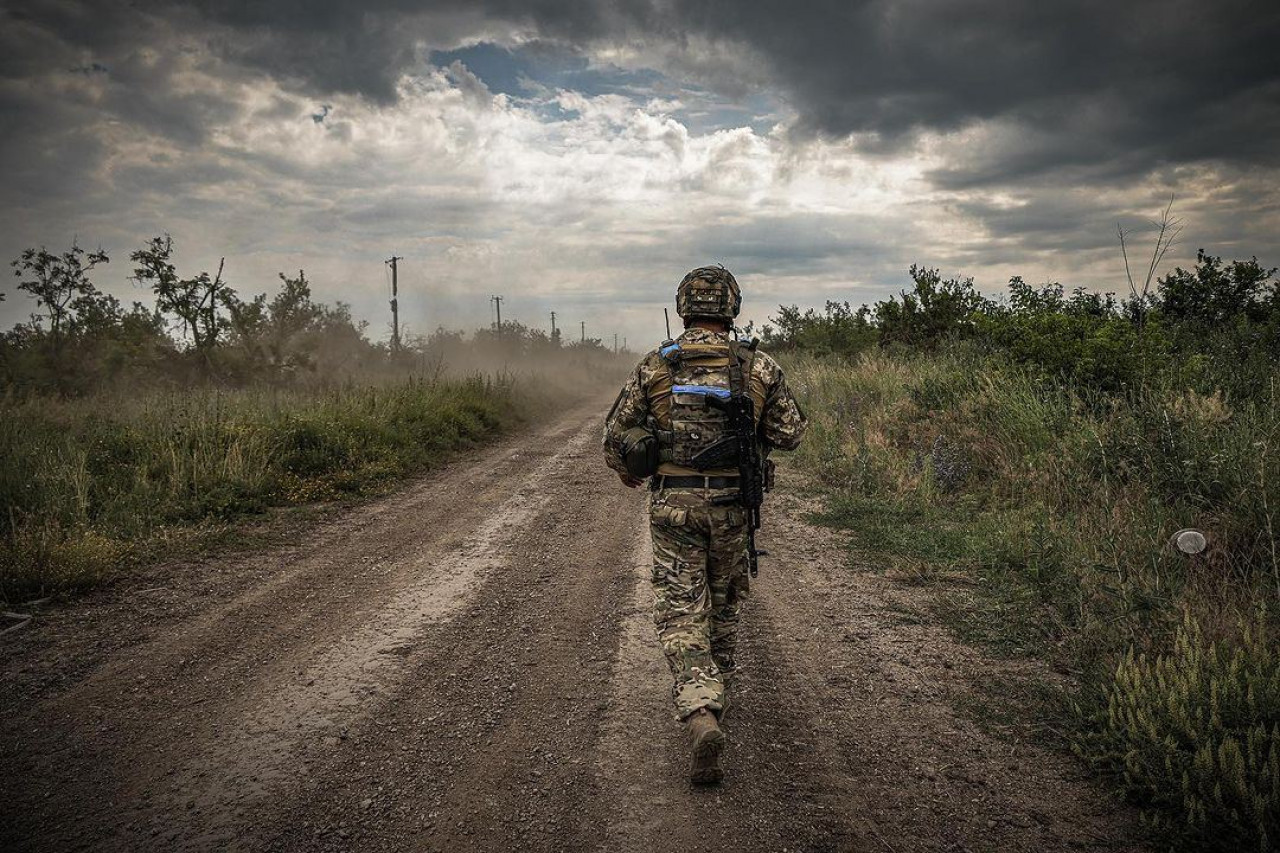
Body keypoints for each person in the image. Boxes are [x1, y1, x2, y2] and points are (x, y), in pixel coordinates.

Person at [601, 265, 807, 783]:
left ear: (682, 308)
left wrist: (631, 468)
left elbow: (615, 436)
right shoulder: (757, 366)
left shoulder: (656, 365)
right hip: (734, 507)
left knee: (679, 608)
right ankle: (716, 701)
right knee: (723, 604)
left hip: (673, 505)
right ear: (731, 309)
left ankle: (700, 712)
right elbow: (790, 433)